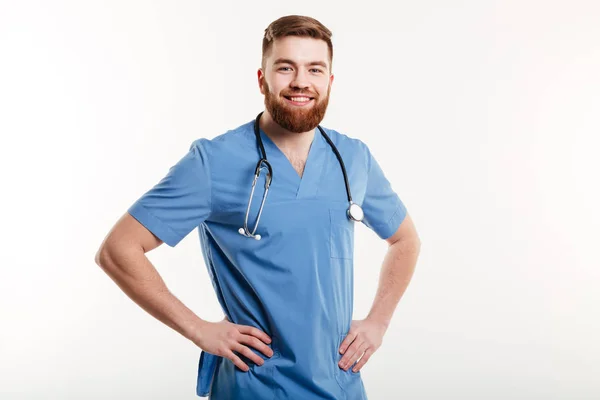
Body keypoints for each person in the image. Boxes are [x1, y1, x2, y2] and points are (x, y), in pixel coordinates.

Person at [95, 14, 421, 400]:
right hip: (255, 384)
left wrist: (378, 322)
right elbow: (118, 250)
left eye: (315, 69)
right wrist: (199, 329)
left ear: (330, 81)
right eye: (286, 68)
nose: (301, 81)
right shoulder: (213, 162)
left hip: (340, 382)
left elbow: (405, 240)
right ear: (262, 78)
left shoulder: (353, 158)